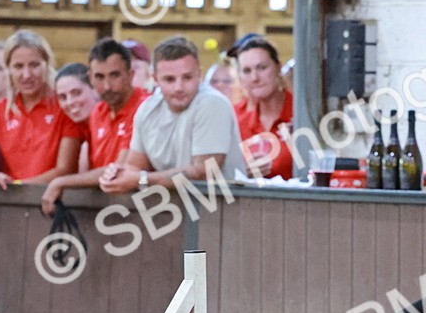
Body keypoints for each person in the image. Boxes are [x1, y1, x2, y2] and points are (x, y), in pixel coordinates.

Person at [100, 36, 245, 195]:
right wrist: (117, 174)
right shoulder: (147, 110)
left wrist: (141, 179)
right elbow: (134, 166)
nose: (179, 87)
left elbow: (203, 172)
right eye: (169, 79)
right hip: (174, 211)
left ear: (199, 74)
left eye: (187, 77)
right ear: (155, 79)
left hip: (226, 212)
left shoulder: (213, 104)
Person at [0, 29, 85, 192]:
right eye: (18, 66)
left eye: (34, 65)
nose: (26, 74)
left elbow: (65, 169)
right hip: (12, 203)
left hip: (55, 200)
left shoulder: (63, 105)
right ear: (8, 68)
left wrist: (19, 187)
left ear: (47, 64)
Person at [41, 38, 148, 215]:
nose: (107, 86)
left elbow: (118, 170)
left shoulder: (144, 108)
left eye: (115, 75)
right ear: (90, 77)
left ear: (130, 75)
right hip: (105, 209)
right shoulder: (97, 112)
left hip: (141, 211)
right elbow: (91, 168)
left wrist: (61, 182)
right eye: (99, 77)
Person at [229, 34, 293, 179]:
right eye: (247, 71)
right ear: (239, 77)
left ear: (278, 68)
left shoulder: (301, 113)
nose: (255, 78)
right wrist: (241, 172)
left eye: (262, 68)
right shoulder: (235, 119)